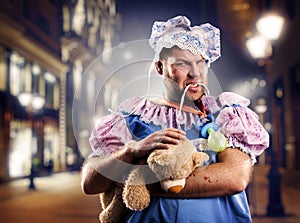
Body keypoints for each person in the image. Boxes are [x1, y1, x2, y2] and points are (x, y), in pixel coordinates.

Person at [81, 15, 269, 222]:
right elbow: (90, 184)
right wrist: (130, 151)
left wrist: (137, 182)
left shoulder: (228, 114)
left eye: (201, 62)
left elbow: (234, 178)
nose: (195, 73)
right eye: (182, 63)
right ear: (160, 68)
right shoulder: (131, 118)